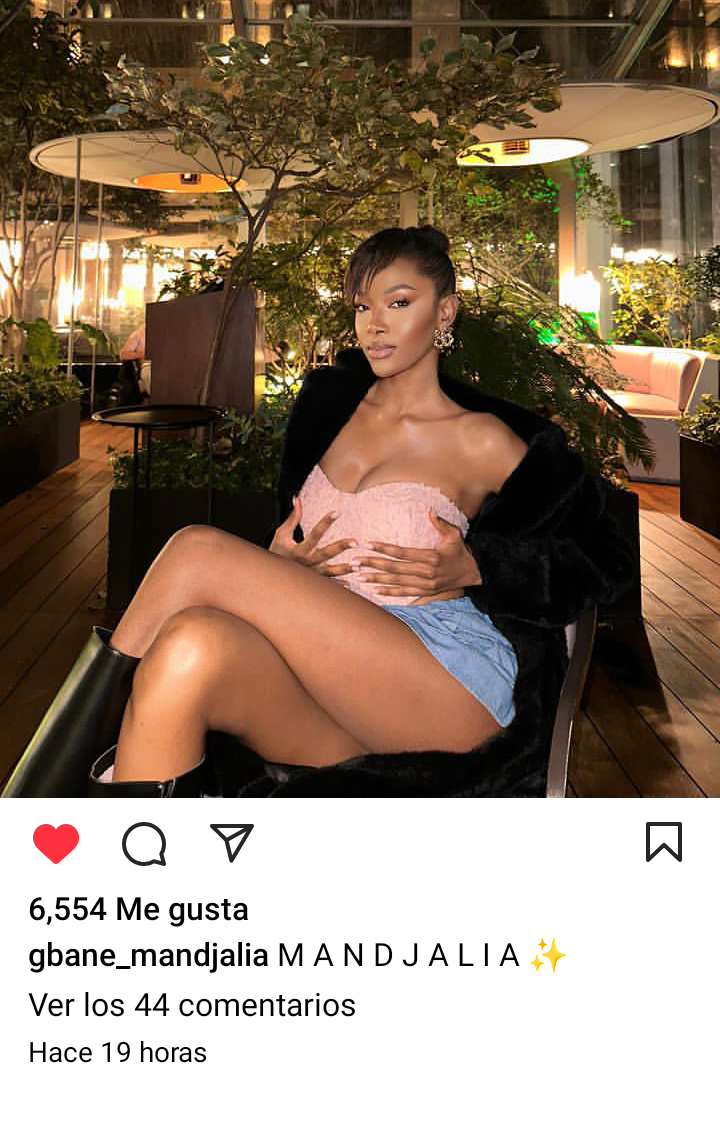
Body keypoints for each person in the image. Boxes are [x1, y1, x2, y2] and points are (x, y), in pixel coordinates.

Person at [3, 225, 637, 799]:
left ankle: (41, 794)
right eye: (362, 306)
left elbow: (608, 560)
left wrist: (480, 566)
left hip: (440, 683)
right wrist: (281, 561)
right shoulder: (330, 410)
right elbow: (296, 549)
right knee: (189, 646)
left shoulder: (485, 438)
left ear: (444, 311)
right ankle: (126, 869)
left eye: (398, 302)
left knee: (196, 549)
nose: (374, 325)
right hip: (329, 675)